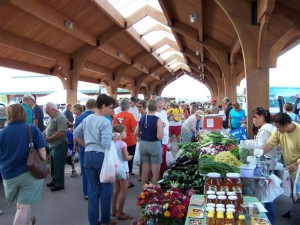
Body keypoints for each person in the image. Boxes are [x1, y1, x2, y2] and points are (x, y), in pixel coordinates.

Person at [0, 103, 46, 225]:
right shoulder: (32, 128)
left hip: (9, 175)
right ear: (23, 113)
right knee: (23, 207)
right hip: (30, 172)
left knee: (20, 204)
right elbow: (42, 151)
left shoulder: (1, 133)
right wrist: (43, 162)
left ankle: (29, 221)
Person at [73, 94, 116, 225]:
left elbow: (76, 134)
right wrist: (116, 137)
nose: (110, 110)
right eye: (109, 107)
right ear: (103, 106)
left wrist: (87, 145)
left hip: (88, 155)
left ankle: (93, 221)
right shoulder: (105, 121)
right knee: (106, 189)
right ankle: (105, 221)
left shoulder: (87, 119)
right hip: (101, 156)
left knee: (92, 190)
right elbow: (106, 144)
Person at [239, 107, 277, 224]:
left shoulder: (265, 129)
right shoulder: (268, 128)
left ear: (262, 117)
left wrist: (245, 143)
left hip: (265, 165)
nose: (253, 120)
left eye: (255, 117)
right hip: (268, 164)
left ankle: (269, 220)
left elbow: (260, 146)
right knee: (266, 193)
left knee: (264, 195)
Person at [263, 112, 300, 225]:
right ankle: (294, 212)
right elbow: (271, 143)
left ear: (287, 125)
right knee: (293, 193)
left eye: (279, 127)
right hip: (290, 168)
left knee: (298, 195)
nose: (277, 130)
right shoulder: (278, 130)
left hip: (298, 168)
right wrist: (259, 153)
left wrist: (297, 163)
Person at [134, 99, 164, 186]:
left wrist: (142, 137)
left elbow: (136, 132)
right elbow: (159, 136)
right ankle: (153, 190)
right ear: (156, 108)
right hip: (154, 144)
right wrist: (162, 127)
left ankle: (144, 190)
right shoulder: (158, 120)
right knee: (155, 171)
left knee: (145, 169)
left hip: (143, 144)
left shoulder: (142, 118)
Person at [74, 98, 96, 200]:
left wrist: (76, 145)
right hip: (95, 147)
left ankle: (86, 192)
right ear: (95, 106)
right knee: (96, 170)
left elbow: (76, 133)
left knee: (84, 169)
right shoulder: (97, 117)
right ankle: (95, 190)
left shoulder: (79, 118)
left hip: (82, 146)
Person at [113, 98, 137, 188]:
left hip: (118, 142)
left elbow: (114, 130)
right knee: (129, 161)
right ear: (129, 106)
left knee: (119, 160)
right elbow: (134, 129)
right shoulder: (130, 116)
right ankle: (128, 181)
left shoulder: (116, 116)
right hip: (130, 141)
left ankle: (118, 180)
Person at [44, 102, 68, 192]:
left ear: (53, 109)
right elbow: (47, 128)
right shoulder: (52, 117)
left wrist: (49, 138)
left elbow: (61, 132)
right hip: (53, 145)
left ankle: (59, 183)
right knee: (53, 165)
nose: (47, 113)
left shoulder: (60, 117)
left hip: (59, 144)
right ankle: (55, 180)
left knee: (58, 166)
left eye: (47, 111)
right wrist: (43, 134)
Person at [111, 124, 133, 220]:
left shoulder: (112, 143)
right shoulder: (123, 144)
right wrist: (130, 157)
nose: (126, 133)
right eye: (124, 131)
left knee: (116, 190)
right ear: (120, 134)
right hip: (123, 170)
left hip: (115, 169)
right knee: (124, 191)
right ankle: (120, 212)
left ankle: (113, 210)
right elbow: (125, 157)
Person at [155, 96, 169, 178]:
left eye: (162, 103)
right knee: (158, 160)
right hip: (159, 140)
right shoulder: (155, 114)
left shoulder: (164, 112)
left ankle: (160, 176)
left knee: (163, 159)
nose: (160, 105)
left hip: (165, 139)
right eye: (158, 103)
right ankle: (156, 177)